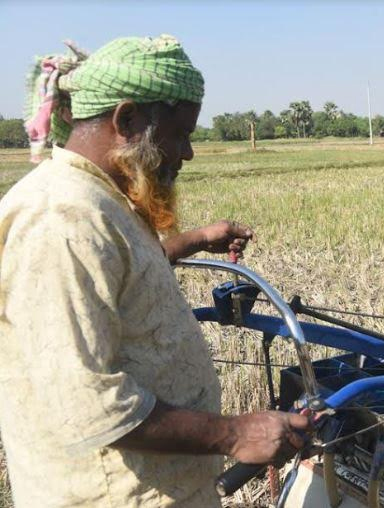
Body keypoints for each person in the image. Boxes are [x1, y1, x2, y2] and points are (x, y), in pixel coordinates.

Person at [0, 35, 310, 507]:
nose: (187, 153)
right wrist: (232, 433)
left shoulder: (97, 200)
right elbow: (86, 404)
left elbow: (111, 281)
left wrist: (194, 241)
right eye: (181, 133)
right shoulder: (61, 220)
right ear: (126, 120)